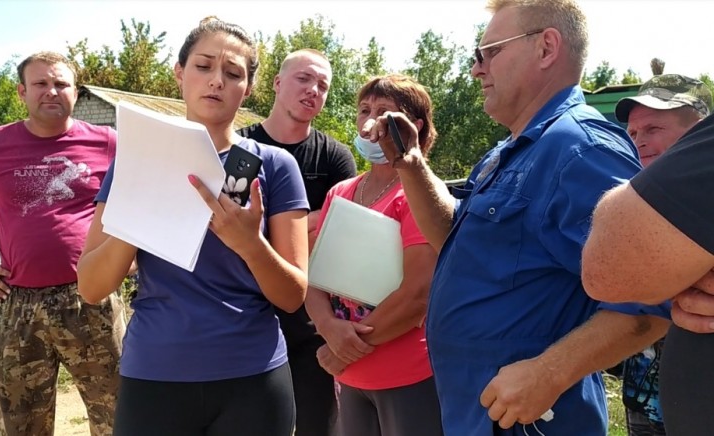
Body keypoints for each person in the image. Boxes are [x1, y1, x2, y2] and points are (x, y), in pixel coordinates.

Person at [367, 1, 667, 434]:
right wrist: (411, 164)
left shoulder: (581, 150)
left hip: (533, 420)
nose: (476, 69)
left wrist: (550, 373)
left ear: (546, 48)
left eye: (488, 52)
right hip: (481, 412)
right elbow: (452, 237)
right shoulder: (511, 152)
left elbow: (650, 300)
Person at [76, 17, 309, 436]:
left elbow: (293, 297)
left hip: (253, 379)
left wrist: (250, 245)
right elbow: (91, 286)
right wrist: (139, 215)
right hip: (154, 376)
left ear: (249, 88)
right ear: (179, 73)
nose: (216, 81)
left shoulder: (275, 167)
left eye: (233, 73)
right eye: (203, 66)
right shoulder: (134, 162)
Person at [0, 51, 123, 435]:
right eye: (41, 84)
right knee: (20, 423)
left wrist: (128, 257)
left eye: (61, 84)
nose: (52, 91)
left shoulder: (109, 143)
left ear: (76, 92)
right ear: (22, 92)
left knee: (119, 417)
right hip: (18, 304)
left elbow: (143, 204)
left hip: (91, 298)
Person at [306, 74, 443, 436]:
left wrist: (345, 347)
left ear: (412, 127)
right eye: (364, 110)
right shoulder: (340, 191)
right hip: (350, 375)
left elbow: (418, 293)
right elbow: (315, 275)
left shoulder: (423, 197)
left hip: (407, 372)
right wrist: (327, 328)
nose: (369, 122)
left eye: (383, 112)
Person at [237, 49, 357, 436]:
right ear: (276, 82)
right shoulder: (239, 148)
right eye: (304, 79)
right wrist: (302, 227)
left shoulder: (335, 157)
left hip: (311, 321)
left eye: (323, 86)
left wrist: (263, 232)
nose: (313, 91)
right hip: (243, 315)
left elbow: (338, 231)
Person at [597, 73, 712, 436]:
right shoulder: (632, 198)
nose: (639, 142)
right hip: (644, 396)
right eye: (633, 134)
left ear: (698, 128)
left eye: (653, 128)